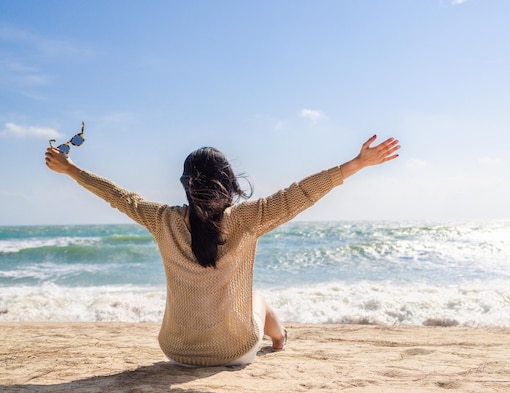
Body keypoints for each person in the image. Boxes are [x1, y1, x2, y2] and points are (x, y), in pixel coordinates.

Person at [45, 134, 400, 367]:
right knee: (256, 299)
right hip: (234, 352)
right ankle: (280, 340)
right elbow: (301, 193)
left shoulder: (162, 220)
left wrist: (71, 168)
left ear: (185, 185)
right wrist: (357, 164)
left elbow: (119, 198)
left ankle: (277, 337)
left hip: (176, 352)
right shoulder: (248, 217)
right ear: (229, 183)